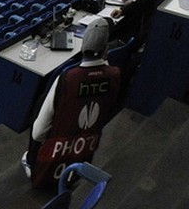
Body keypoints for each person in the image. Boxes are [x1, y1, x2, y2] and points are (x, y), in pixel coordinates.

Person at [21, 21, 121, 187]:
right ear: (106, 50)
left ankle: (31, 162)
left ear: (82, 46)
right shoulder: (115, 75)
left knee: (41, 103)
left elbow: (38, 133)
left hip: (49, 165)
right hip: (83, 156)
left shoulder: (67, 78)